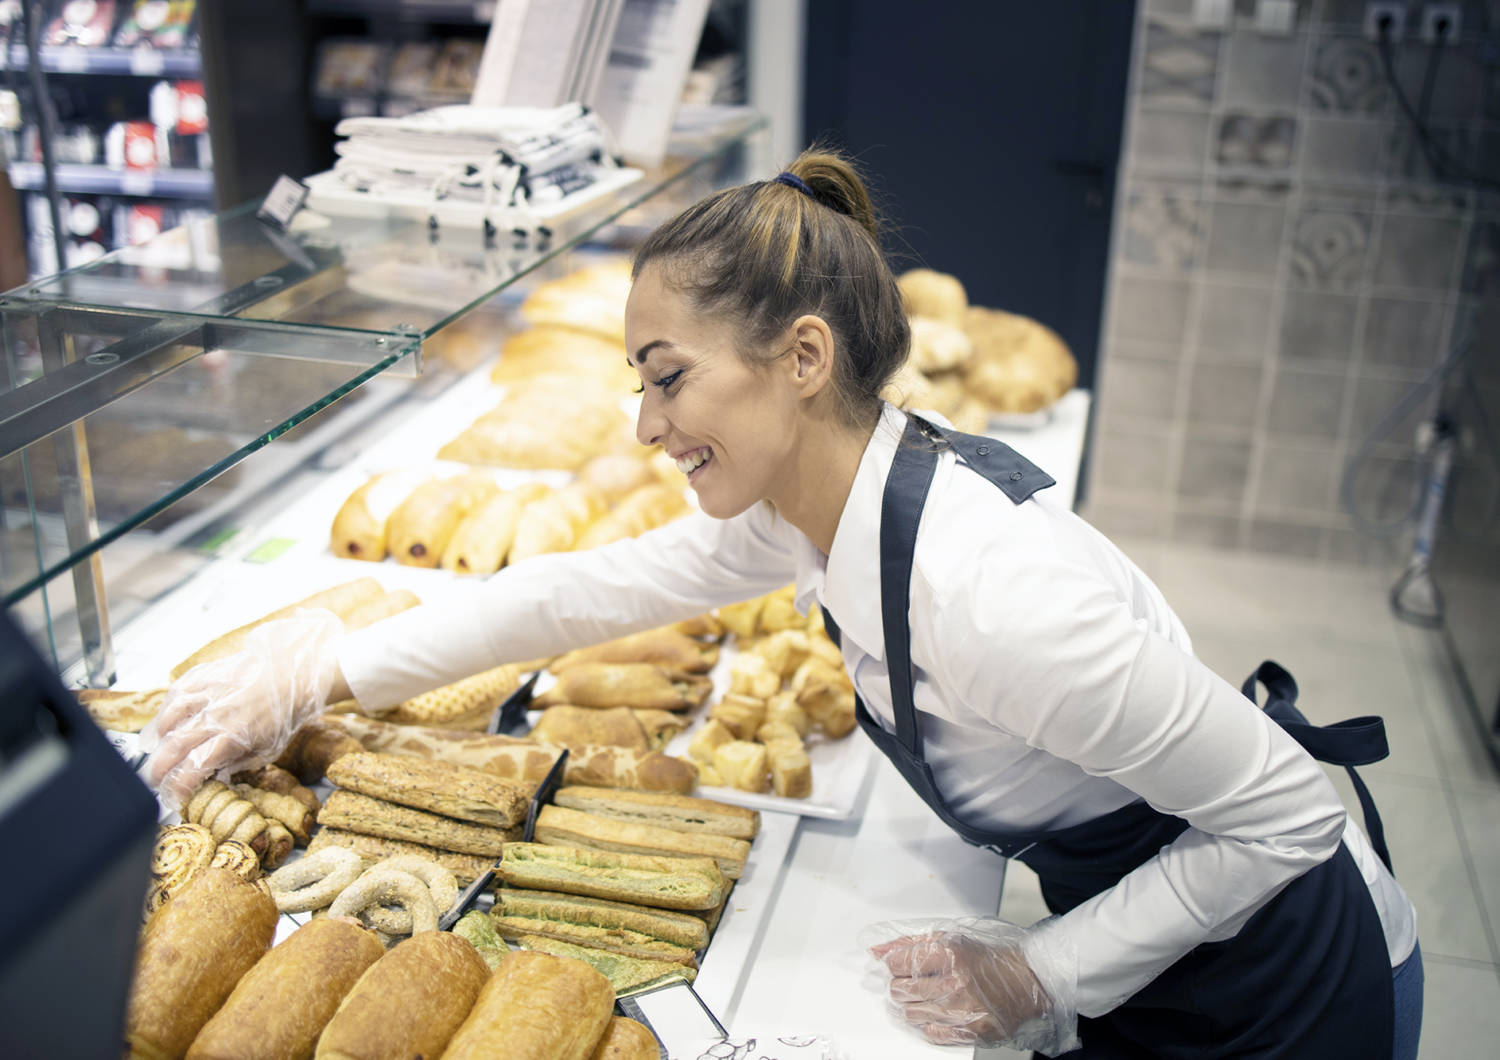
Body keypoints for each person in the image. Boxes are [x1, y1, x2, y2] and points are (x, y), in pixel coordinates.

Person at [141, 150, 1422, 1058]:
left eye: (667, 380)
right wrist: (322, 672)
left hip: (1290, 984)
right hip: (1166, 963)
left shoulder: (981, 592)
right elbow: (583, 590)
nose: (645, 427)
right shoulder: (827, 500)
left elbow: (1285, 813)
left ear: (802, 358)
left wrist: (1039, 971)